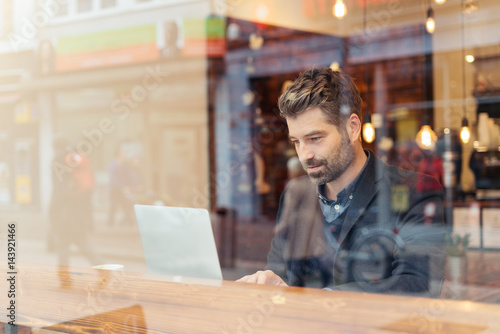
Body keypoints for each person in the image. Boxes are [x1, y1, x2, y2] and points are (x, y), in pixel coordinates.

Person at [237, 67, 445, 297]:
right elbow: (282, 274)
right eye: (296, 141)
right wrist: (269, 279)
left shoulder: (416, 191)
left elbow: (417, 284)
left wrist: (322, 297)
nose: (304, 154)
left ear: (352, 128)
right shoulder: (296, 193)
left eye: (315, 138)